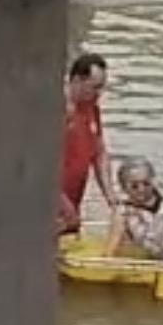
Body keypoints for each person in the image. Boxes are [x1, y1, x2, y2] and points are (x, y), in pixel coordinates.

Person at [57, 52, 115, 235]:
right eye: (95, 87)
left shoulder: (92, 109)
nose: (99, 93)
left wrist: (110, 195)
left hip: (73, 198)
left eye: (102, 88)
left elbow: (99, 153)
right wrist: (63, 204)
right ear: (76, 80)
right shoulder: (57, 110)